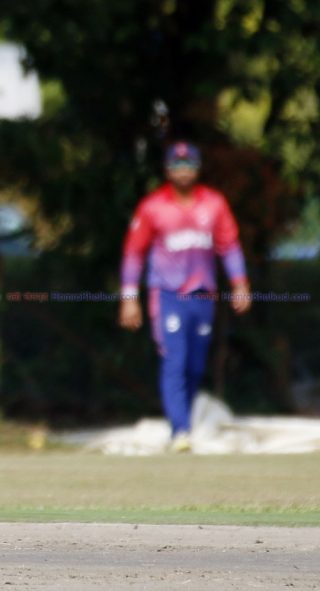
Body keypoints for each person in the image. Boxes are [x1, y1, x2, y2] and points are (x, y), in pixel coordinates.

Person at [118, 141, 250, 452]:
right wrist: (129, 297)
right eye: (177, 165)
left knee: (195, 365)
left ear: (198, 167)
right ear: (167, 169)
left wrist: (240, 284)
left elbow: (229, 246)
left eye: (188, 164)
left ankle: (184, 424)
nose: (183, 171)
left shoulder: (214, 204)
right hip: (168, 294)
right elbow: (134, 253)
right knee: (174, 360)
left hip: (202, 294)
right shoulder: (153, 207)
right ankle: (180, 430)